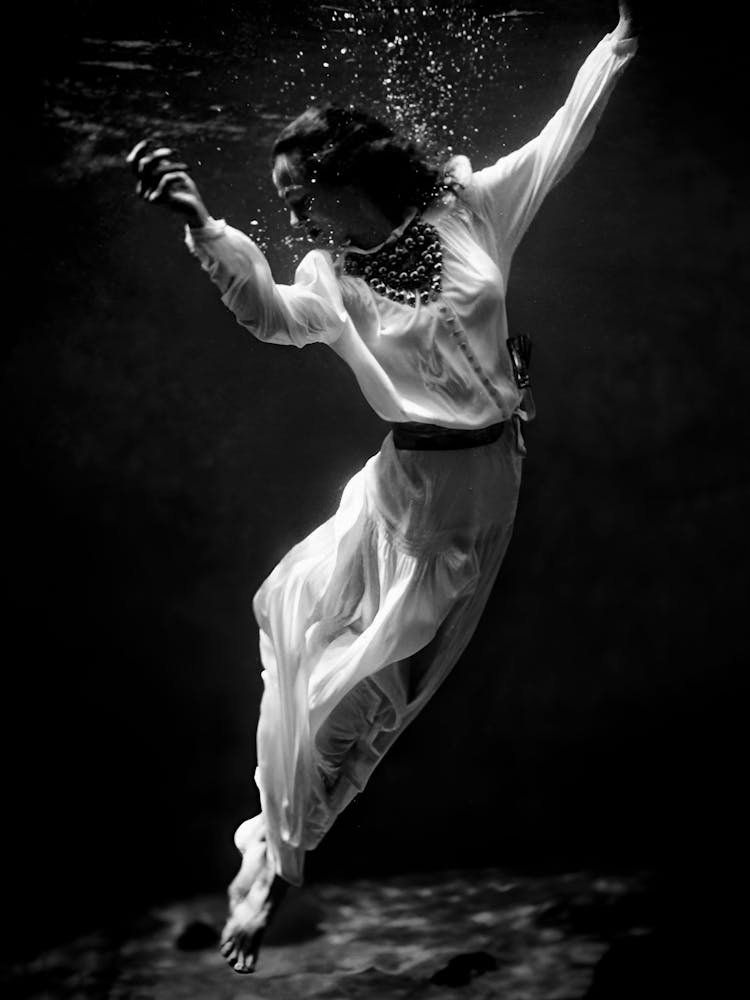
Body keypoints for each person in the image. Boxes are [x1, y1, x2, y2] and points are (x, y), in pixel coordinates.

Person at [128, 2, 638, 974]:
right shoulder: (330, 275)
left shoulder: (469, 207)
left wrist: (619, 41)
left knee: (371, 696)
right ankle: (273, 864)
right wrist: (200, 224)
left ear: (341, 174)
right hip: (397, 490)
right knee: (310, 669)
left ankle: (271, 857)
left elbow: (559, 137)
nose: (289, 214)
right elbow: (275, 316)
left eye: (296, 190)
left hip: (480, 494)